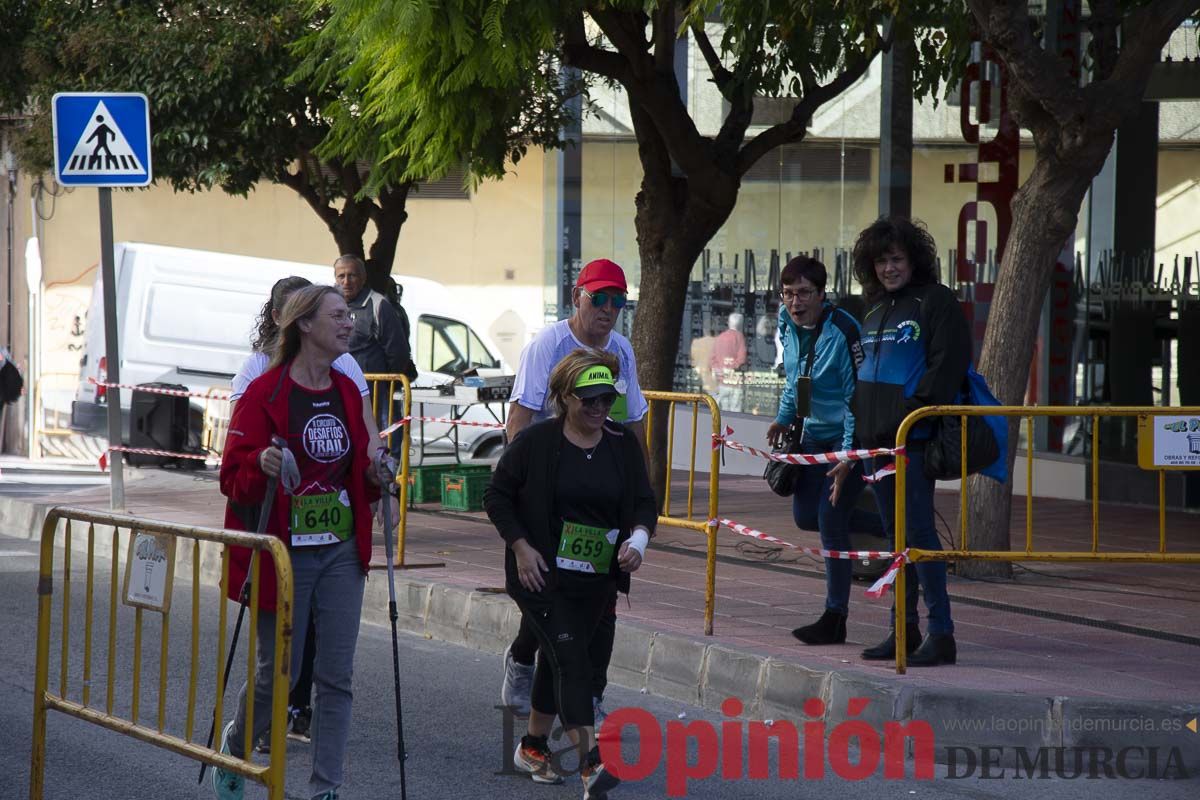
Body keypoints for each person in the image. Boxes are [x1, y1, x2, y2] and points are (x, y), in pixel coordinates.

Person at [214, 285, 387, 799]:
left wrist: (379, 472)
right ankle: (237, 744)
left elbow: (359, 468)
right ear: (304, 326)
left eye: (349, 315)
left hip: (338, 548)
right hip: (282, 553)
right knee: (277, 678)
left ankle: (326, 788)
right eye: (337, 315)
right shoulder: (266, 394)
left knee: (336, 677)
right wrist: (259, 464)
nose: (348, 323)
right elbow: (232, 476)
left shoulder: (346, 391)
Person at [484, 349, 656, 795]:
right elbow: (497, 496)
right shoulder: (537, 442)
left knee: (558, 660)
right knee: (572, 659)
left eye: (606, 400)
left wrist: (637, 540)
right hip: (541, 576)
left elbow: (642, 501)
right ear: (564, 397)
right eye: (589, 400)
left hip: (596, 578)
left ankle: (533, 746)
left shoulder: (620, 443)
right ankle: (591, 764)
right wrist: (521, 548)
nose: (599, 409)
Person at [500, 258, 649, 722]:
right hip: (551, 487)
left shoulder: (622, 350)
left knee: (600, 597)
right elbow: (520, 423)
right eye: (597, 299)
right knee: (551, 592)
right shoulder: (548, 346)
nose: (607, 310)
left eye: (617, 301)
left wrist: (641, 487)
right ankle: (524, 659)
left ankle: (590, 694)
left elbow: (635, 421)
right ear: (576, 299)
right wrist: (524, 504)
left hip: (600, 489)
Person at [851, 217, 971, 668]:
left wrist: (910, 416)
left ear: (914, 259)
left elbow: (948, 364)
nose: (888, 268)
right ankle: (903, 629)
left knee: (919, 537)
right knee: (896, 540)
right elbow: (860, 371)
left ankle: (942, 633)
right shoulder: (874, 309)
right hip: (874, 446)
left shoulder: (936, 302)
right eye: (881, 260)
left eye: (896, 258)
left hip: (913, 441)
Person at [765, 255, 879, 646]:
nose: (795, 302)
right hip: (812, 433)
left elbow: (855, 400)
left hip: (847, 438)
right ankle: (884, 523)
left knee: (830, 521)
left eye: (804, 293)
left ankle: (835, 617)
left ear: (821, 294)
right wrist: (784, 418)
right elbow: (796, 378)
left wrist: (847, 458)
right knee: (804, 517)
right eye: (788, 293)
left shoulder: (843, 330)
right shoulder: (787, 323)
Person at [334, 254, 414, 452]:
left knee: (385, 448)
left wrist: (384, 382)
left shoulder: (379, 305)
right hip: (338, 392)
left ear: (362, 278)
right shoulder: (329, 305)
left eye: (352, 275)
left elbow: (399, 352)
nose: (346, 281)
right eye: (341, 276)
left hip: (376, 394)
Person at [710, 312, 748, 412]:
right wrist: (731, 367)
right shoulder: (739, 337)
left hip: (721, 382)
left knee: (721, 412)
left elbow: (712, 359)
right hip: (734, 383)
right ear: (740, 324)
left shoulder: (719, 337)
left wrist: (720, 370)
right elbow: (742, 359)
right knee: (735, 412)